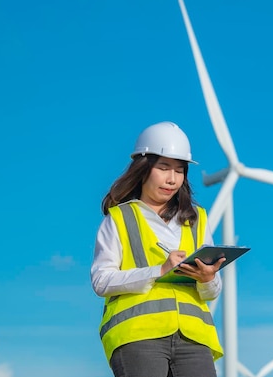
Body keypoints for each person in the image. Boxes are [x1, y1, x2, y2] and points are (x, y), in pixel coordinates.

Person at [90, 121, 225, 377]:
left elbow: (211, 292)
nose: (172, 179)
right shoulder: (119, 219)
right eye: (163, 168)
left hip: (194, 338)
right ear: (143, 169)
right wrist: (158, 270)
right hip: (138, 334)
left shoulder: (197, 219)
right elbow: (100, 280)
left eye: (179, 170)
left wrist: (208, 279)